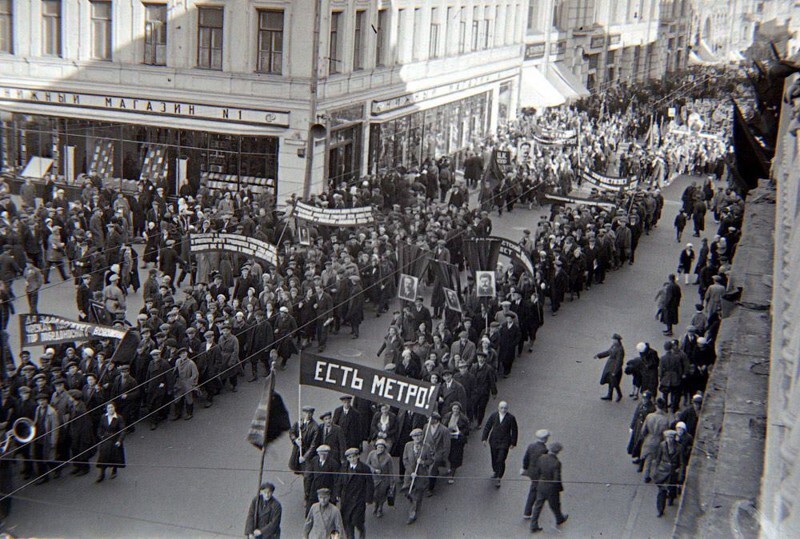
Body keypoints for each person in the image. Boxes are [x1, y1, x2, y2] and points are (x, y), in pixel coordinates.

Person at [529, 442, 568, 533]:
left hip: (541, 485)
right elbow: (557, 479)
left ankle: (533, 524)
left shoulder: (541, 458)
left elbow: (538, 471)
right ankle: (559, 518)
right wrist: (559, 488)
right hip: (551, 489)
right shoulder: (556, 463)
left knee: (538, 506)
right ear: (557, 452)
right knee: (555, 505)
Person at [335, 447, 374, 539]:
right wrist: (337, 493)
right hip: (346, 498)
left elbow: (369, 484)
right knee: (347, 521)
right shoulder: (344, 467)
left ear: (358, 456)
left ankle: (361, 531)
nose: (352, 459)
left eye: (354, 457)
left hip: (359, 499)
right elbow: (339, 480)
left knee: (357, 520)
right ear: (347, 459)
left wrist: (368, 499)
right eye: (350, 457)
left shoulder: (364, 468)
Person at [481, 400, 518, 487]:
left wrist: (513, 442)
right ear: (498, 408)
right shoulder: (494, 416)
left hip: (504, 442)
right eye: (501, 408)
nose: (503, 409)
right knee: (494, 458)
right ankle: (495, 470)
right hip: (494, 441)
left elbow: (514, 430)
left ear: (507, 409)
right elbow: (487, 427)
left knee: (501, 459)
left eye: (505, 408)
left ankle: (499, 477)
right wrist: (484, 438)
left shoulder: (511, 418)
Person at [401, 427, 433, 524]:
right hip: (409, 475)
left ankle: (413, 514)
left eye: (419, 435)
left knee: (417, 495)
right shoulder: (408, 445)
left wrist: (423, 462)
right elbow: (405, 460)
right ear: (412, 437)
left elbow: (431, 460)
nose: (418, 438)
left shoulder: (426, 447)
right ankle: (413, 504)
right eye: (415, 436)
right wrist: (411, 472)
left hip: (421, 475)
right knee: (408, 492)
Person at [653, 430, 683, 517]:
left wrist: (681, 475)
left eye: (671, 438)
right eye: (668, 438)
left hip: (673, 472)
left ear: (674, 439)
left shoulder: (679, 447)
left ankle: (671, 499)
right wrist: (656, 470)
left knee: (672, 488)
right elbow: (658, 458)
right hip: (662, 472)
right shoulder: (662, 445)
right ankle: (660, 510)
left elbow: (682, 463)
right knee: (661, 491)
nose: (669, 440)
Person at [521, 429, 550, 519]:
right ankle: (527, 511)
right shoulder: (544, 449)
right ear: (545, 439)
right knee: (534, 490)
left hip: (531, 472)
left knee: (535, 487)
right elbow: (544, 463)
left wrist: (525, 468)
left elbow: (525, 458)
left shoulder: (531, 446)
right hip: (538, 473)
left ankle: (529, 510)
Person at [95, 402, 126, 483]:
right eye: (109, 408)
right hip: (105, 440)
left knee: (114, 456)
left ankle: (114, 470)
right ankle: (102, 474)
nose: (110, 409)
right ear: (106, 409)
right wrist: (101, 436)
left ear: (114, 408)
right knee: (103, 457)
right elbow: (100, 428)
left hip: (114, 441)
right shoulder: (103, 417)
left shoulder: (119, 418)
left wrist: (119, 441)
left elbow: (122, 430)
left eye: (112, 407)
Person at [365, 438, 394, 518]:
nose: (380, 449)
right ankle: (375, 505)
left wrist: (392, 483)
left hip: (384, 479)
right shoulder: (371, 454)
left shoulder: (388, 457)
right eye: (379, 447)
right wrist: (374, 470)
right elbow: (367, 464)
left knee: (382, 495)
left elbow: (391, 470)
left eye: (382, 447)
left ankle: (380, 508)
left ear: (384, 448)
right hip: (374, 478)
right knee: (374, 494)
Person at [442, 401, 470, 483]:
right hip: (449, 438)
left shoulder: (464, 418)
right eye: (454, 408)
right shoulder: (447, 416)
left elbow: (467, 430)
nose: (455, 410)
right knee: (448, 454)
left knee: (455, 457)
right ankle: (449, 467)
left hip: (458, 440)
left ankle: (452, 475)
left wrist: (460, 432)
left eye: (457, 409)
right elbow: (443, 425)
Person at [595, 333, 625, 402]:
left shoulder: (620, 349)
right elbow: (608, 352)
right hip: (609, 366)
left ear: (617, 340)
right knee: (610, 380)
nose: (613, 341)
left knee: (615, 382)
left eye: (614, 339)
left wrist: (615, 371)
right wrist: (599, 355)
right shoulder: (614, 346)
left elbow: (619, 361)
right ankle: (609, 395)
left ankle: (619, 394)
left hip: (614, 367)